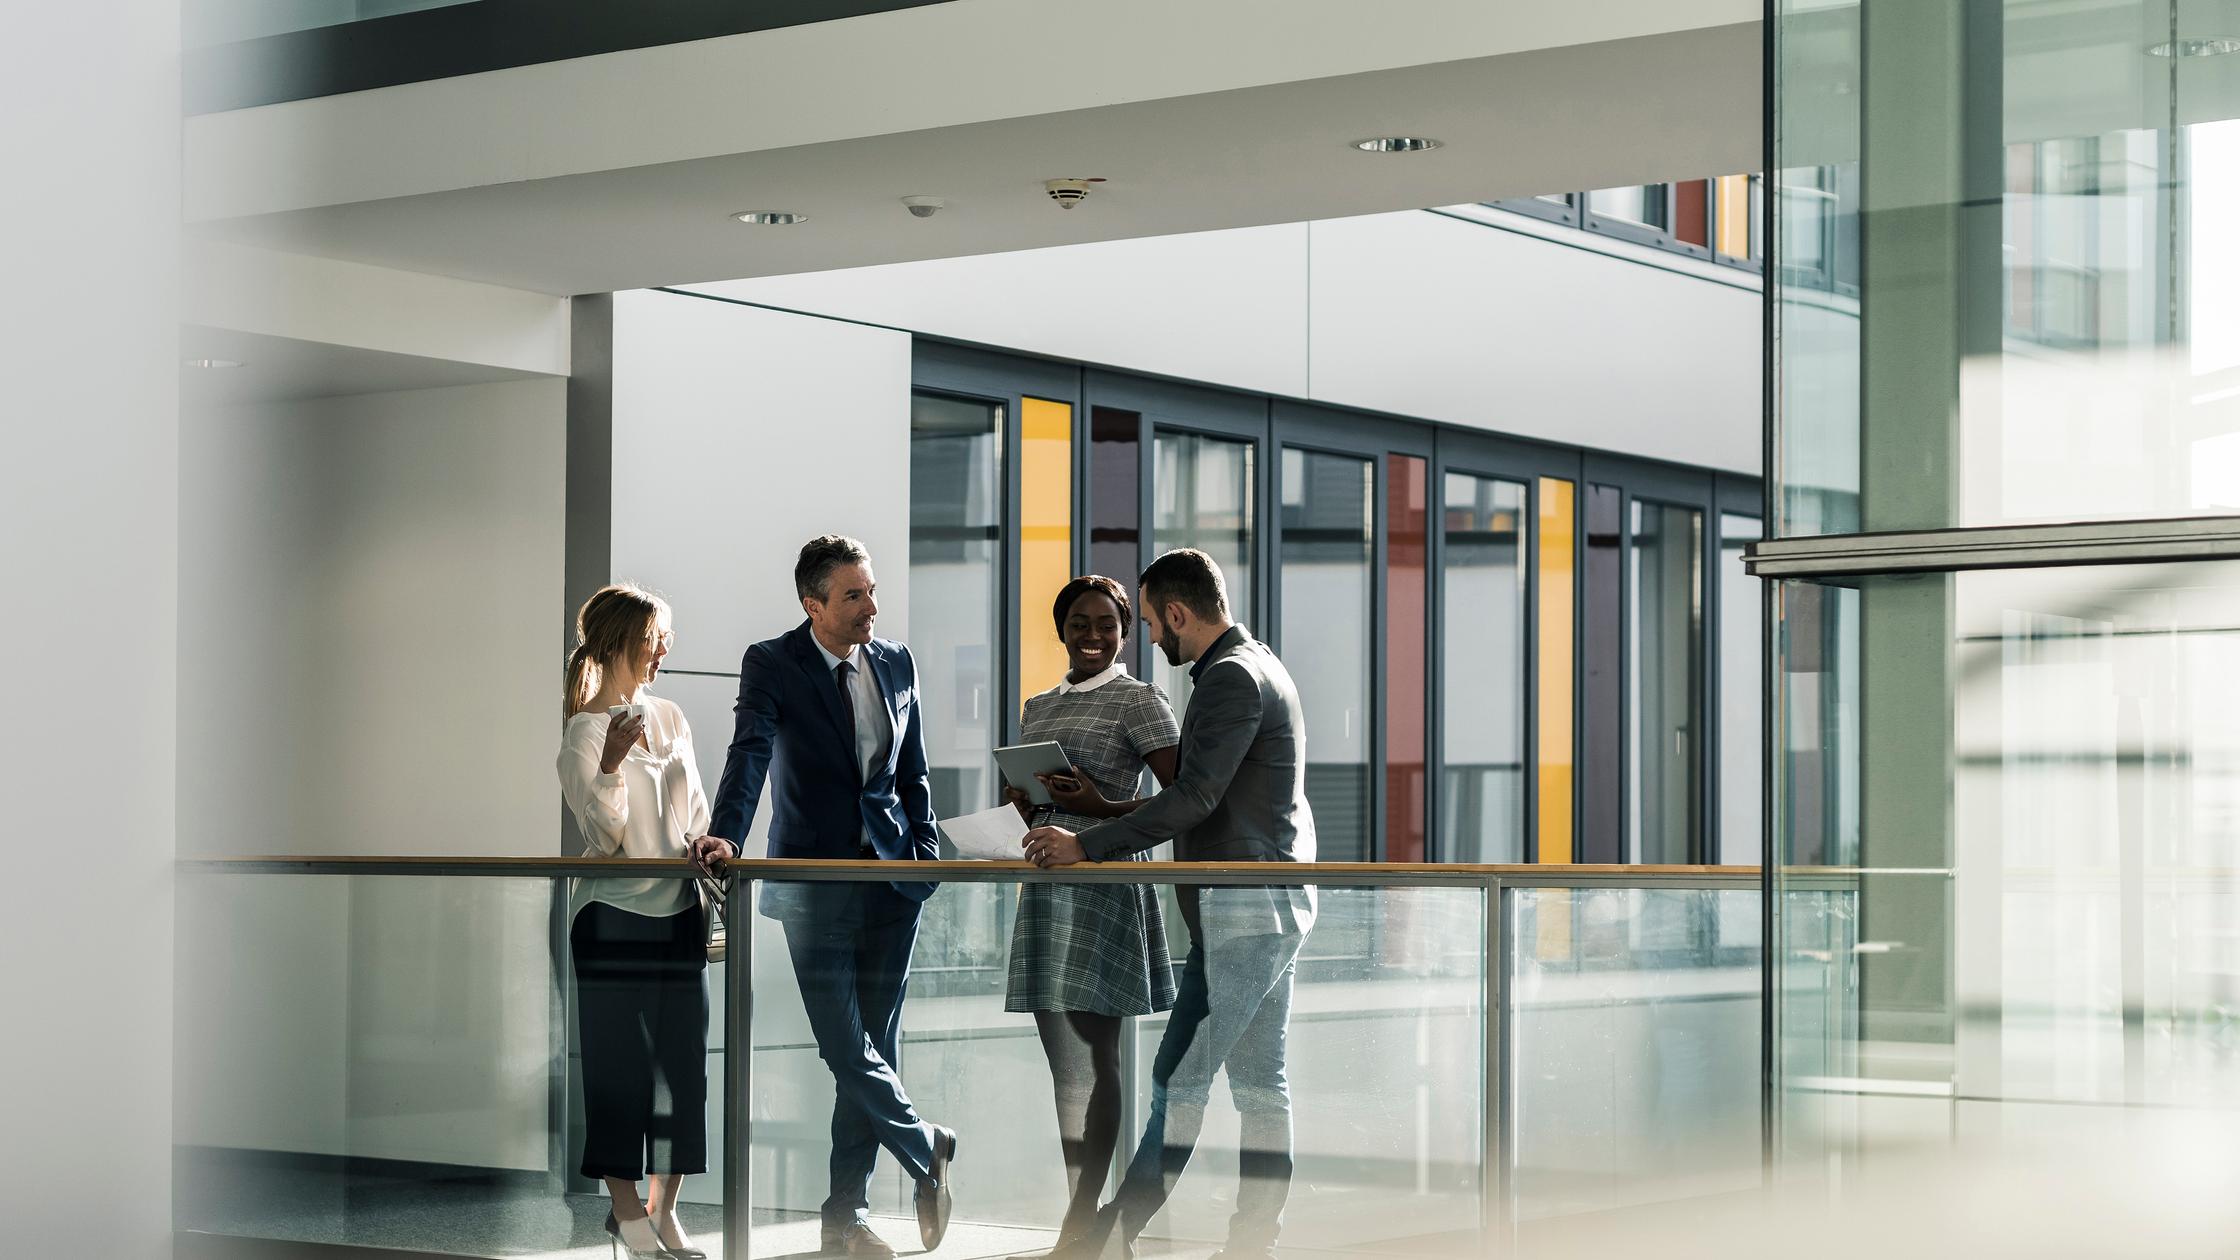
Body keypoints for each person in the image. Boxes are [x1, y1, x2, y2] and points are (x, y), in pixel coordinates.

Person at [1023, 548, 1317, 1260]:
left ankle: (1107, 1238)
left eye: (1152, 622)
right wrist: (1099, 809)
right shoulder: (1261, 663)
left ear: (1179, 613)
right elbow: (1209, 797)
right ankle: (1251, 1243)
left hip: (1244, 913)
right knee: (1259, 1087)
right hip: (1272, 906)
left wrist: (1088, 845)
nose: (1151, 637)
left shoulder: (1228, 678)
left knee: (1175, 1080)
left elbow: (1193, 797)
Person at [686, 536, 957, 1260]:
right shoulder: (774, 663)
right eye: (853, 596)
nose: (871, 607)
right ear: (813, 605)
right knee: (845, 1045)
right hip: (812, 883)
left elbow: (916, 772)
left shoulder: (896, 661)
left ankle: (848, 1214)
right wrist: (727, 837)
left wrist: (925, 855)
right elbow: (749, 751)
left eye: (871, 591)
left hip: (895, 882)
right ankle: (925, 1145)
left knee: (875, 1046)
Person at [1003, 575, 1182, 1249]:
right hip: (1049, 886)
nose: (1093, 635)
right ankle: (1085, 1214)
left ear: (1125, 632)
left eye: (1107, 624)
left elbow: (1186, 798)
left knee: (1096, 1050)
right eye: (1080, 623)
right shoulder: (1038, 706)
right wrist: (1022, 799)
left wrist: (1102, 810)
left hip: (1103, 883)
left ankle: (1082, 1222)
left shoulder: (1139, 700)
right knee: (1065, 1064)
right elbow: (1037, 796)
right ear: (1062, 630)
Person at [555, 583, 713, 1260]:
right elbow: (602, 832)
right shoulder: (584, 732)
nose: (664, 651)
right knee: (618, 1073)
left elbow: (697, 813)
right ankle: (626, 1212)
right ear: (623, 642)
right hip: (611, 918)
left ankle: (663, 1210)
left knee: (685, 1075)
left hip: (678, 915)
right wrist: (614, 764)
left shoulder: (673, 717)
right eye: (655, 638)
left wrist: (712, 844)